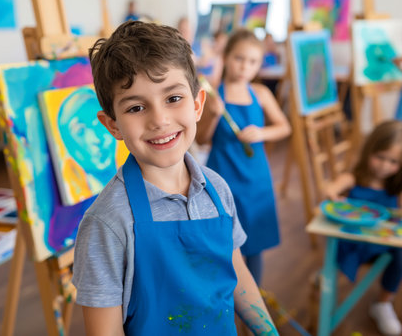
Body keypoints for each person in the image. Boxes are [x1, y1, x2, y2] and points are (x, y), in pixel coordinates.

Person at [72, 21, 278, 335]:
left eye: (173, 99)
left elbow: (236, 269)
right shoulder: (107, 223)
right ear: (112, 125)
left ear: (197, 104)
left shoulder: (217, 190)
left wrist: (268, 331)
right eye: (137, 107)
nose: (160, 120)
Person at [196, 29, 291, 286]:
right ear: (226, 57)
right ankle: (227, 298)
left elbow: (285, 127)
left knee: (254, 241)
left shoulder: (261, 93)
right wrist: (214, 115)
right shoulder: (212, 95)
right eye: (239, 58)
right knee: (223, 241)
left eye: (253, 62)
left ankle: (254, 299)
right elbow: (201, 140)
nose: (245, 67)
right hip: (223, 179)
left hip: (255, 179)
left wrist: (262, 132)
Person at [325, 120, 402, 336]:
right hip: (353, 245)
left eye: (393, 161)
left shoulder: (396, 188)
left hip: (383, 247)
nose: (384, 166)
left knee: (401, 255)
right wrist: (333, 195)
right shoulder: (353, 178)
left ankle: (383, 303)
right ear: (369, 150)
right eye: (379, 157)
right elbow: (331, 188)